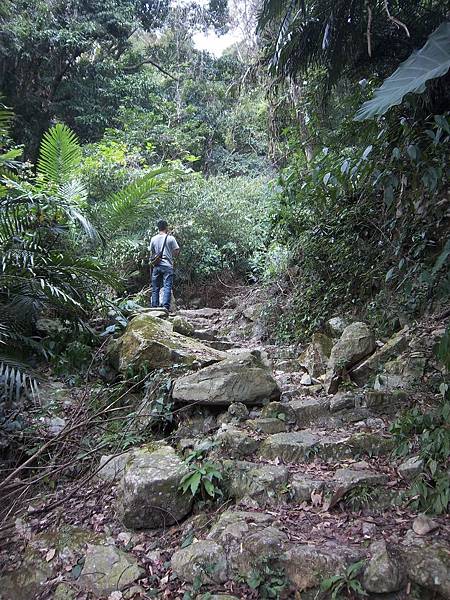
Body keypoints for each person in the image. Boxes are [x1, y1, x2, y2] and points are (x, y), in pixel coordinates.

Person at [149, 219, 179, 312]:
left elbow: (152, 252)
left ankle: (154, 306)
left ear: (158, 228)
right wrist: (171, 255)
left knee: (155, 287)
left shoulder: (153, 239)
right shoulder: (170, 238)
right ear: (166, 227)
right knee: (167, 286)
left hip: (157, 266)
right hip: (167, 265)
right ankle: (165, 307)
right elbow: (177, 250)